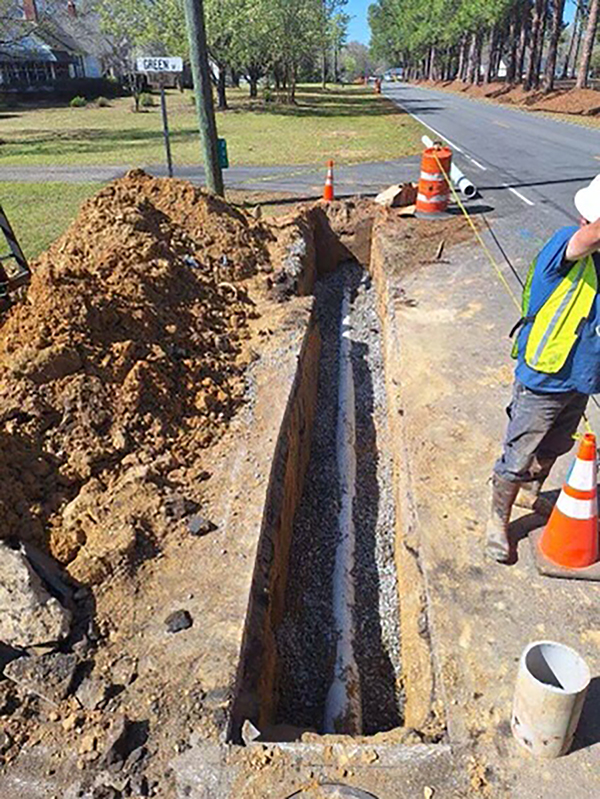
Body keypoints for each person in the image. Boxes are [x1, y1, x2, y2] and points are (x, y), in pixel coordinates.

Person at [487, 175, 600, 563]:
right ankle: (496, 522)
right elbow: (588, 240)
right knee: (519, 452)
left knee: (555, 445)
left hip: (581, 380)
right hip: (543, 381)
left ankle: (532, 495)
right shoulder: (566, 244)